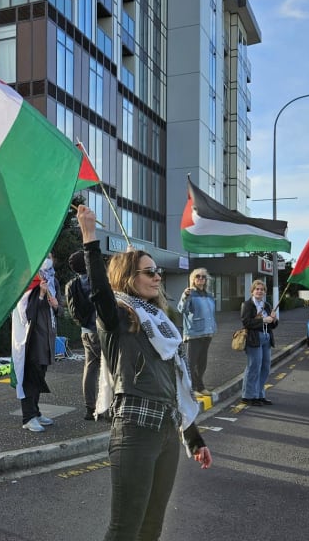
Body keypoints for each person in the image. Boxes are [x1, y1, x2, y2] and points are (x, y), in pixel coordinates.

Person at [76, 205, 211, 541]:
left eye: (157, 273)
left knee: (152, 528)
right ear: (128, 277)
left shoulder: (163, 324)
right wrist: (90, 237)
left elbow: (176, 387)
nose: (157, 277)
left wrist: (193, 439)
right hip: (135, 431)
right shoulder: (118, 317)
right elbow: (99, 293)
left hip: (167, 431)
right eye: (149, 272)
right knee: (125, 529)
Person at [11, 255, 59, 432]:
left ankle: (36, 412)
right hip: (33, 338)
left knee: (40, 377)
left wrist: (55, 305)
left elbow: (58, 308)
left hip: (47, 337)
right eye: (45, 255)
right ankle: (28, 416)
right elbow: (26, 313)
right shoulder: (29, 281)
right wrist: (40, 294)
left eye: (50, 256)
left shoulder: (53, 280)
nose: (48, 259)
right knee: (30, 378)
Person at [65, 250, 101, 420]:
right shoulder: (95, 281)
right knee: (109, 369)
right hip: (100, 330)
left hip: (85, 331)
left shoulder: (71, 284)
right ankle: (104, 407)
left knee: (90, 368)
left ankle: (90, 407)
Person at [178, 268, 217, 395]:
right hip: (194, 333)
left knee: (202, 363)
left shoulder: (209, 295)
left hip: (207, 332)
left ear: (206, 280)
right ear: (193, 279)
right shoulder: (189, 294)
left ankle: (200, 387)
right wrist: (185, 297)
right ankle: (192, 388)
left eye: (203, 277)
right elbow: (181, 309)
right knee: (191, 363)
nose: (201, 278)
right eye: (198, 276)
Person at [240, 279, 278, 406]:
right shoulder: (247, 305)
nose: (259, 291)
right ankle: (249, 396)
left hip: (267, 338)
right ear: (252, 291)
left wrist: (273, 319)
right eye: (257, 289)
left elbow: (273, 325)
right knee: (254, 367)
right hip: (254, 339)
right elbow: (246, 322)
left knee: (265, 368)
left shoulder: (266, 305)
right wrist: (263, 320)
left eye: (262, 289)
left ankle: (260, 394)